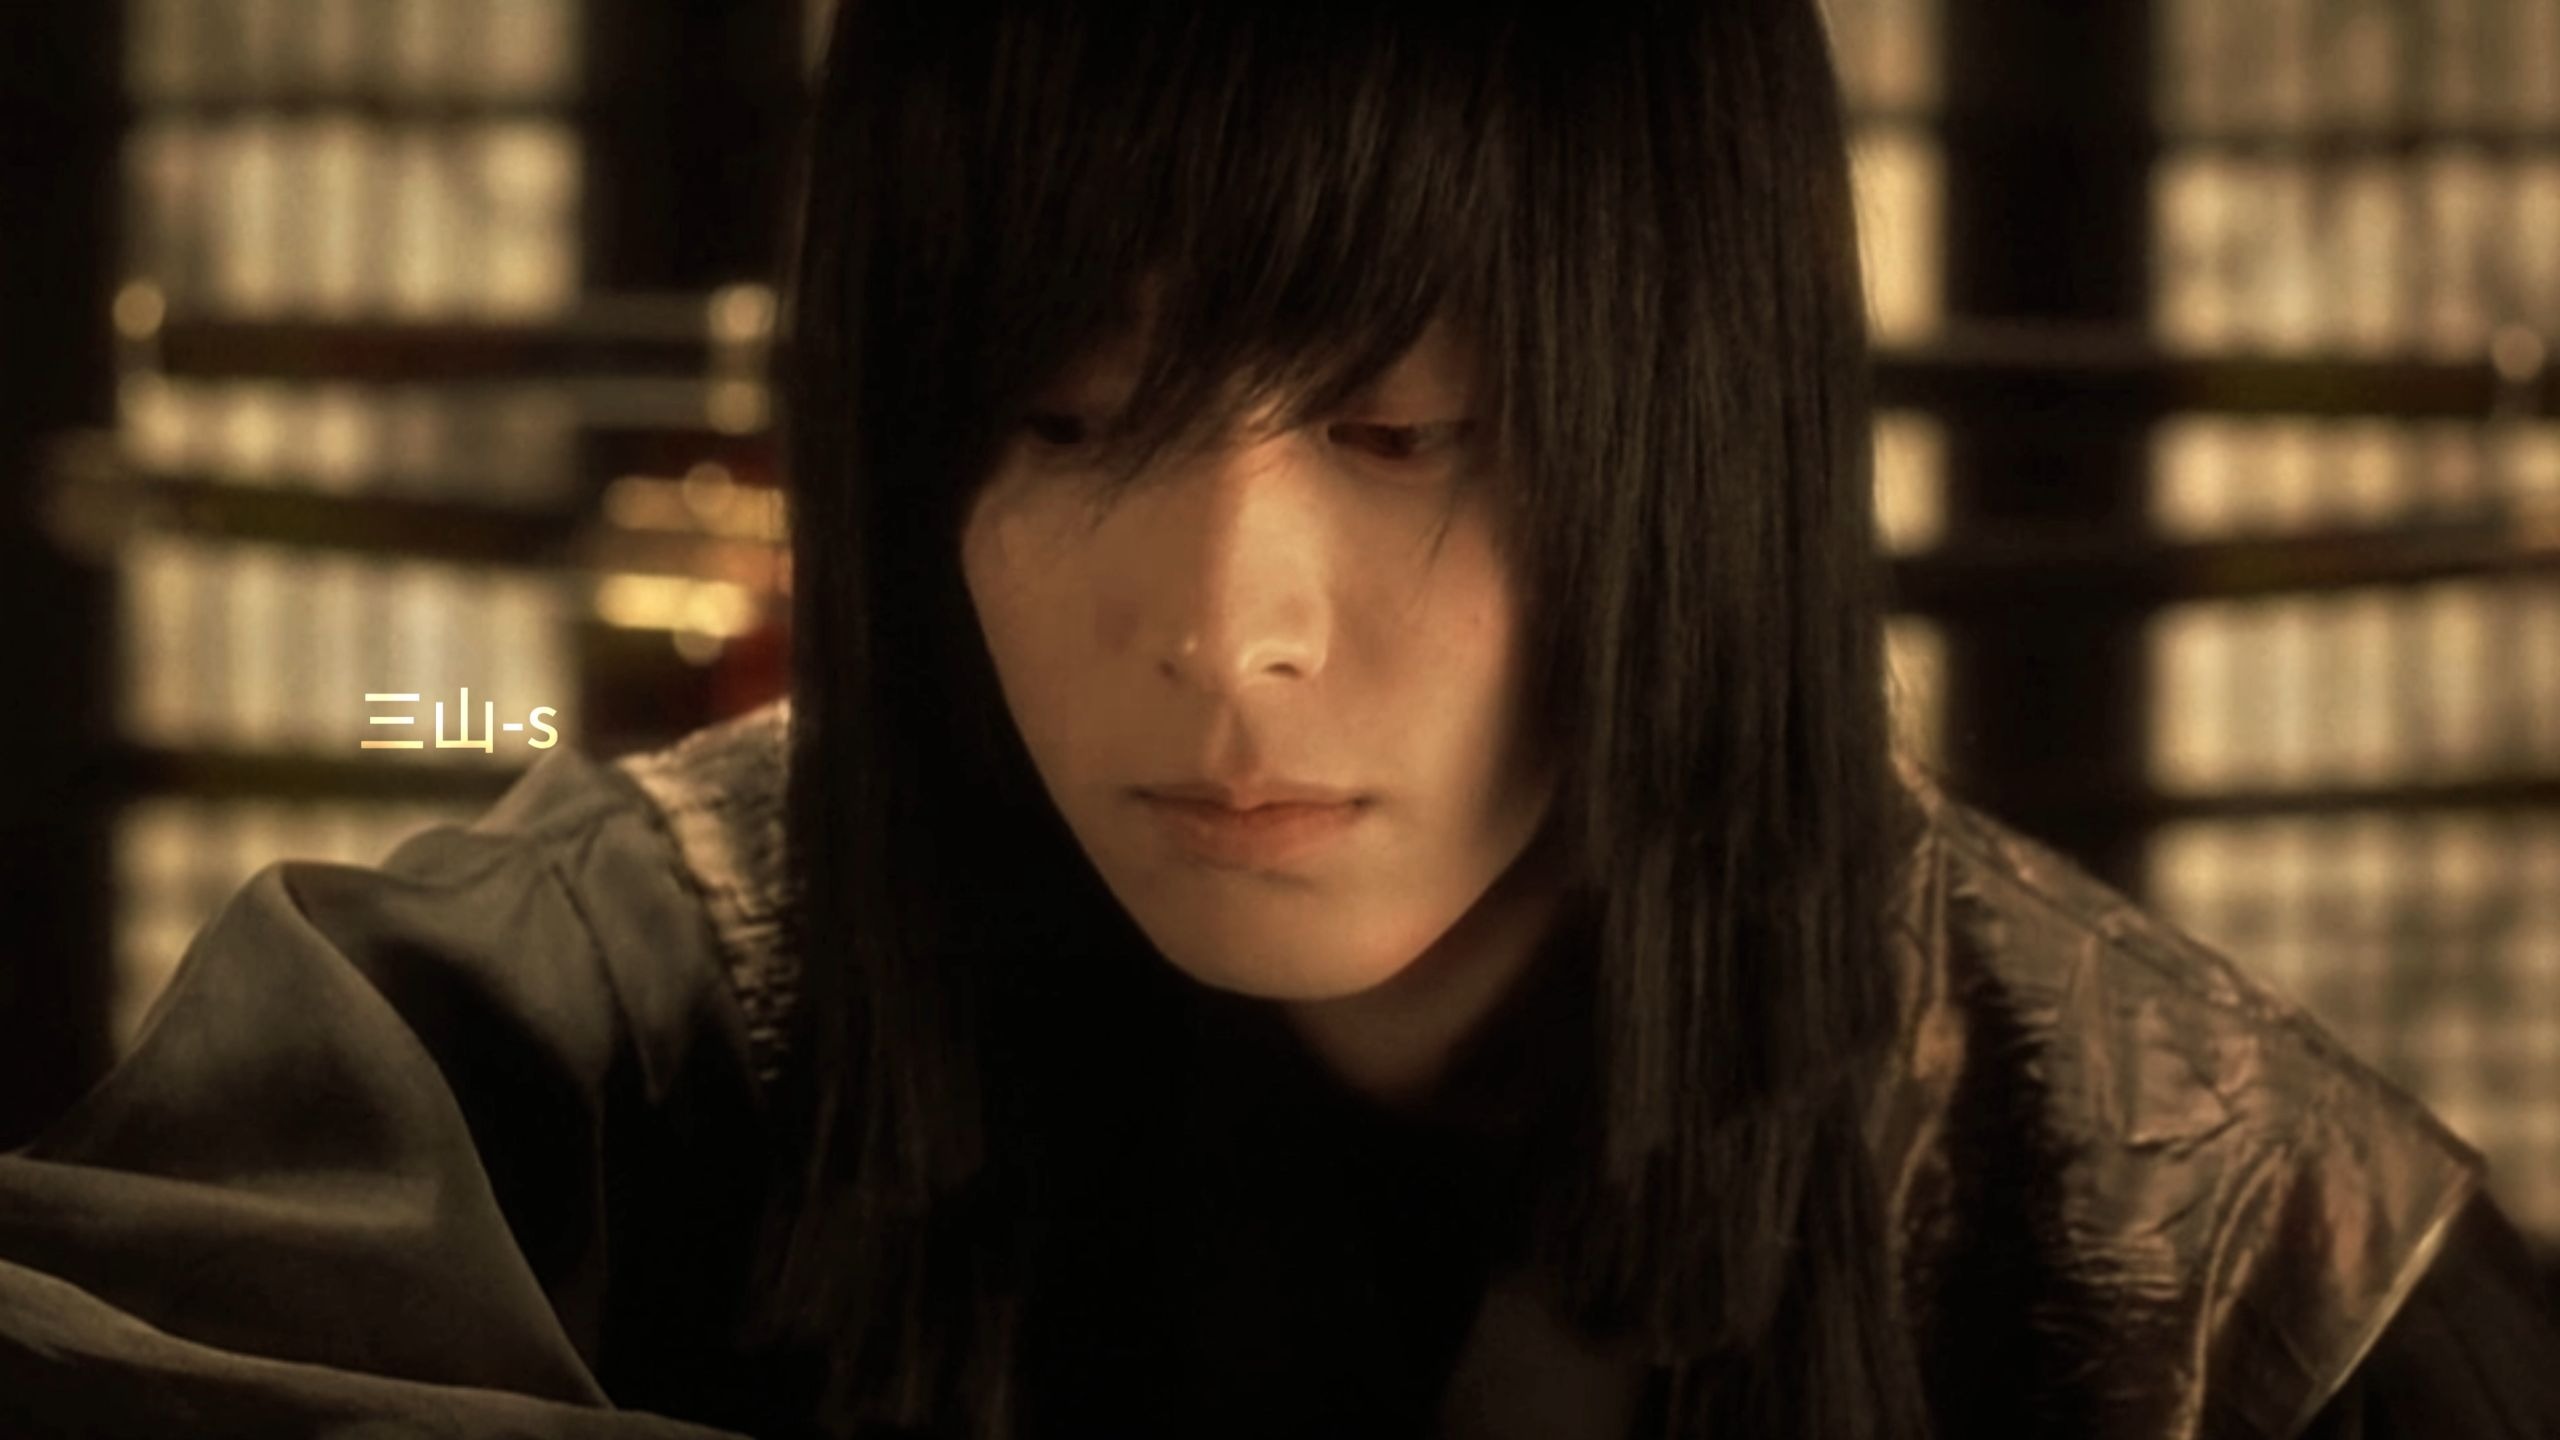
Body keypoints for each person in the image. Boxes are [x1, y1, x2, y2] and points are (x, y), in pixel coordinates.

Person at [5, 3, 2558, 1437]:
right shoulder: (599, 1008)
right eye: (1064, 418)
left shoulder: (2234, 1264)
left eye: (1399, 431)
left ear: (1692, 447)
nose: (1228, 630)